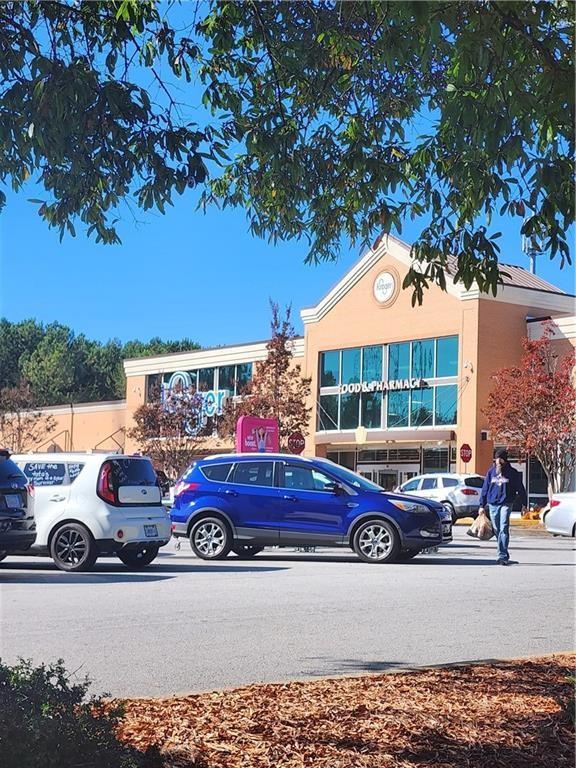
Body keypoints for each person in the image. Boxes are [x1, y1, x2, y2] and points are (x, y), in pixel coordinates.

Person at [478, 448, 527, 565]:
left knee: (503, 527)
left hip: (506, 503)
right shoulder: (490, 472)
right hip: (493, 504)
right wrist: (481, 505)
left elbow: (520, 489)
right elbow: (485, 489)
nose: (498, 461)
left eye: (500, 459)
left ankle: (502, 556)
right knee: (497, 530)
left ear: (505, 460)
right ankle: (503, 550)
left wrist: (524, 504)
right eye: (496, 459)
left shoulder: (512, 473)